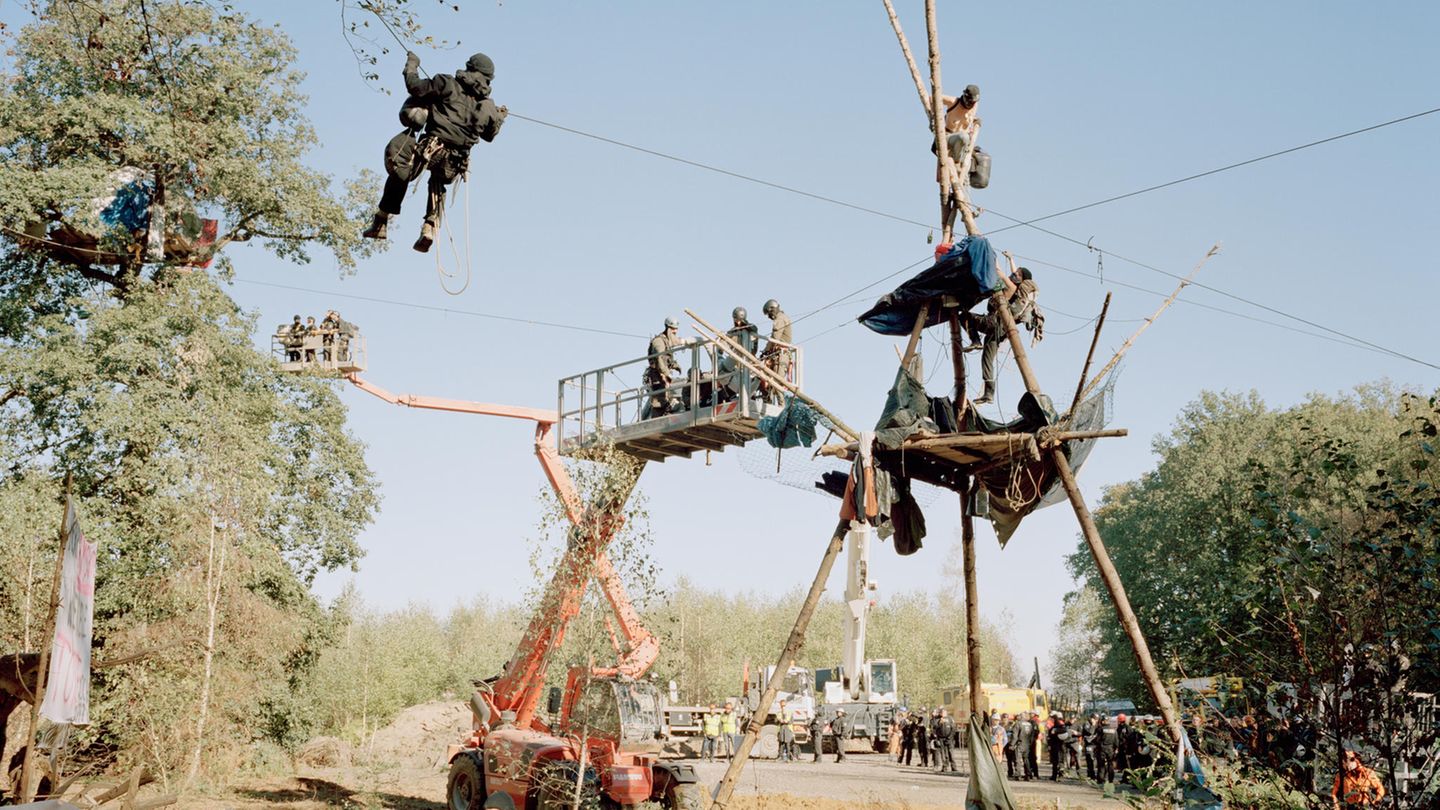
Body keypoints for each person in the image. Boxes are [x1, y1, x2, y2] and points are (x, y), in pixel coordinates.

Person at [362, 50, 507, 253]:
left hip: (432, 148)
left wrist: (411, 65)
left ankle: (381, 220)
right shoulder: (487, 106)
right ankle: (430, 227)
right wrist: (500, 116)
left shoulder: (446, 83)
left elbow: (414, 87)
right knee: (438, 183)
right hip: (455, 161)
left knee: (402, 161)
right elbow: (490, 135)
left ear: (469, 67)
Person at [960, 250, 1041, 405]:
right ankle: (989, 394)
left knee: (963, 316)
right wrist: (1011, 258)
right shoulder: (1016, 289)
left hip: (992, 322)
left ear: (1021, 279)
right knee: (987, 358)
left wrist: (992, 257)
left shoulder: (1009, 286)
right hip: (1000, 331)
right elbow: (1013, 274)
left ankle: (975, 339)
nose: (1014, 274)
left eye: (1017, 274)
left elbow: (1000, 273)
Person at [936, 84, 981, 183]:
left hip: (962, 144)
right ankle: (956, 164)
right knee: (963, 137)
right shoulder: (953, 102)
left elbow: (966, 120)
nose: (971, 104)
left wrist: (975, 121)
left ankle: (961, 180)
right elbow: (932, 98)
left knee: (973, 157)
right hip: (948, 138)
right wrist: (933, 117)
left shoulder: (974, 106)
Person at [643, 317, 685, 418]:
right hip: (657, 376)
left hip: (662, 375)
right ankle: (656, 421)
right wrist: (666, 373)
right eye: (673, 330)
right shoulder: (659, 341)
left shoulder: (667, 340)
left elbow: (667, 359)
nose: (675, 332)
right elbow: (659, 358)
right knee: (659, 402)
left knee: (666, 399)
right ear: (668, 329)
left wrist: (675, 365)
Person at [719, 306, 759, 402]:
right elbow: (724, 343)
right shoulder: (732, 332)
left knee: (749, 385)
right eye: (736, 320)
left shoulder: (750, 329)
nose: (737, 322)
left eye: (739, 320)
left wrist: (745, 324)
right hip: (735, 365)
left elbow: (754, 329)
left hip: (748, 364)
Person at [758, 299, 792, 404]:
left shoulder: (780, 318)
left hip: (780, 355)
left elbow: (775, 337)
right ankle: (769, 403)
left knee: (777, 383)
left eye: (769, 314)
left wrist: (765, 350)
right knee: (768, 383)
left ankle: (782, 408)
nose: (769, 317)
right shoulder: (783, 317)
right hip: (777, 354)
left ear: (772, 310)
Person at [1097, 716, 1118, 786]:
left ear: (1103, 721)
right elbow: (1116, 741)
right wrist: (1115, 749)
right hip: (1110, 749)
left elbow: (1097, 740)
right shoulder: (1114, 730)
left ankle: (1100, 779)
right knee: (1110, 765)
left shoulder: (1101, 729)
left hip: (1102, 748)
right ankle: (1111, 779)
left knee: (1101, 765)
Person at [933, 708, 957, 772]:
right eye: (941, 713)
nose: (942, 714)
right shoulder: (937, 719)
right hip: (941, 739)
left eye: (943, 712)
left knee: (951, 753)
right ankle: (945, 767)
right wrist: (939, 723)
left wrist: (950, 737)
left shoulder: (950, 719)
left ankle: (954, 767)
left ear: (946, 713)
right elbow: (934, 728)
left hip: (949, 739)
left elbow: (954, 728)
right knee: (943, 754)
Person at [1047, 712, 1068, 780]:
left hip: (1060, 746)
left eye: (1052, 719)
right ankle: (1054, 775)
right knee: (1054, 761)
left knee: (1060, 761)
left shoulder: (1060, 725)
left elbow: (1064, 730)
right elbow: (1049, 737)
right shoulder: (1051, 728)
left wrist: (1056, 731)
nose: (1051, 720)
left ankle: (1060, 775)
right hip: (1053, 746)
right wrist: (1049, 745)